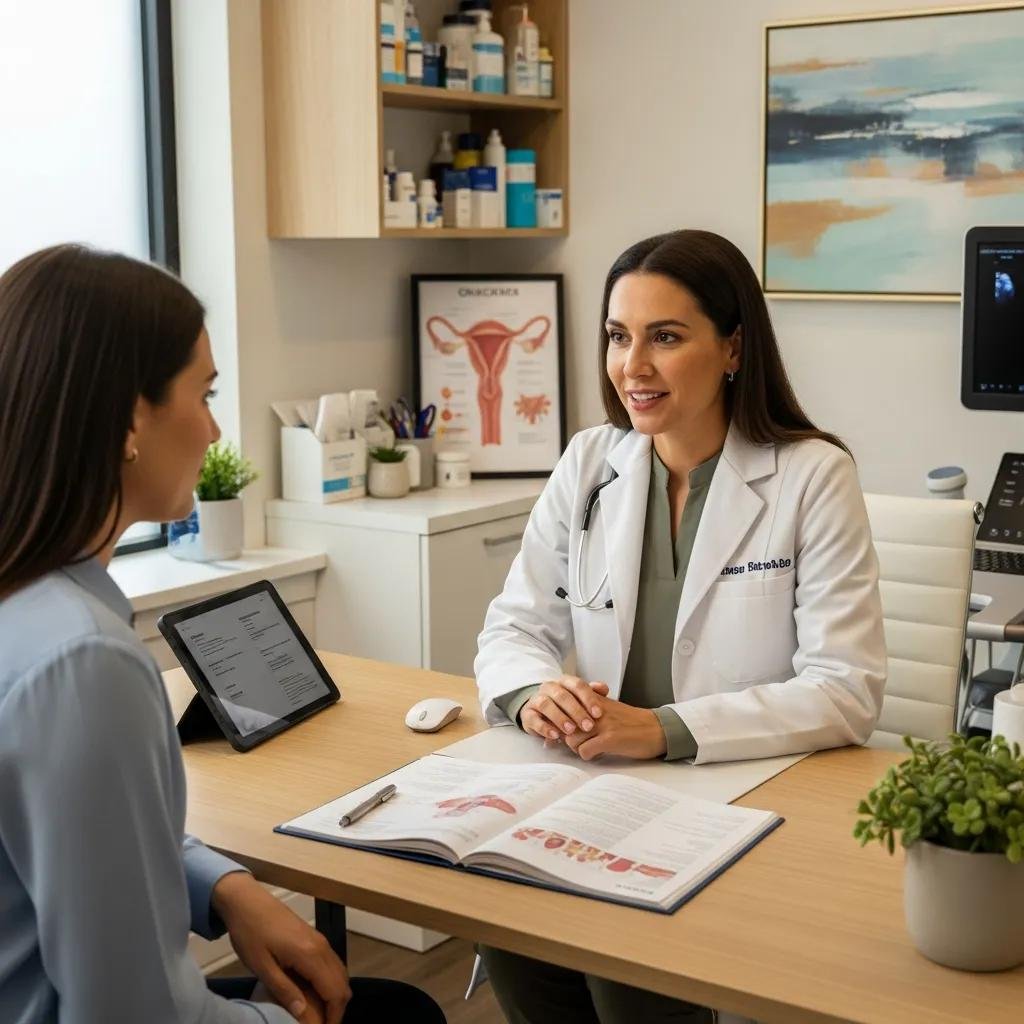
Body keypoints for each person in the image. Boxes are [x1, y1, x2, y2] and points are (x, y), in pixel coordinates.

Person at [0, 245, 445, 1024]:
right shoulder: (84, 662)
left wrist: (225, 887)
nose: (212, 429)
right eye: (203, 395)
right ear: (131, 417)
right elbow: (130, 1012)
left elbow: (82, 848)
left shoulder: (32, 605)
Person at [473, 229, 887, 1024]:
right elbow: (512, 626)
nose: (634, 365)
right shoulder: (591, 463)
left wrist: (662, 730)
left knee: (629, 982)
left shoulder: (811, 477)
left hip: (734, 796)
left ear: (733, 348)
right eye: (619, 337)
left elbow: (846, 691)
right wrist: (533, 694)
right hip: (592, 789)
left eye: (666, 337)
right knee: (510, 932)